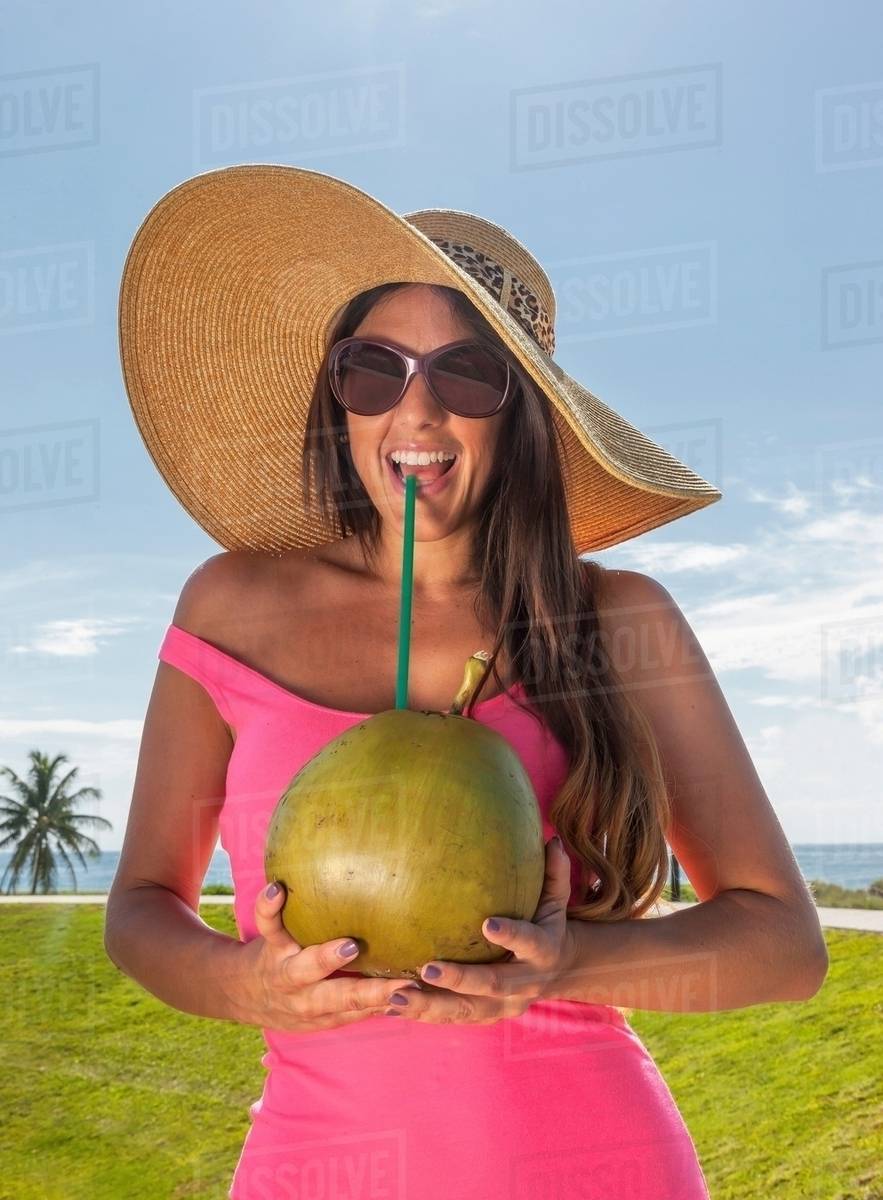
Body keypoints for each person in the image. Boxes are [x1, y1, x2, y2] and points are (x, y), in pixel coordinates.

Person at [106, 165, 827, 1199]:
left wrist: (566, 963)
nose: (417, 409)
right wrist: (243, 983)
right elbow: (139, 908)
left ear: (521, 411)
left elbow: (782, 948)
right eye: (374, 370)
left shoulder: (616, 623)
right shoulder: (231, 608)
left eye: (466, 374)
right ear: (338, 401)